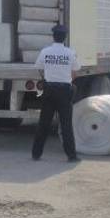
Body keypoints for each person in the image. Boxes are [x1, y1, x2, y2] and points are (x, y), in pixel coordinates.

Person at [32, 24, 79, 162]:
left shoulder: (45, 52)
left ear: (53, 37)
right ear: (64, 38)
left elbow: (39, 68)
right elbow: (75, 71)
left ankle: (36, 153)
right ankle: (71, 155)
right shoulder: (70, 53)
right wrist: (66, 79)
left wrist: (47, 78)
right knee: (66, 125)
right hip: (64, 91)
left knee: (43, 123)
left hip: (49, 90)